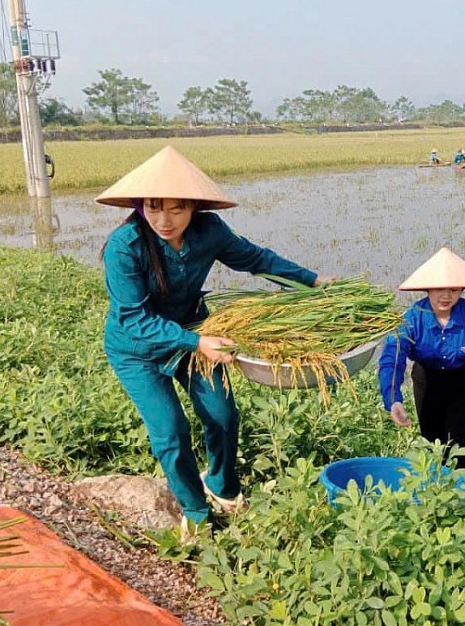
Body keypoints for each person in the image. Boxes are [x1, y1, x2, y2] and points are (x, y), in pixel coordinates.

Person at [96, 146, 336, 541]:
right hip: (136, 349)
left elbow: (254, 258)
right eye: (153, 208)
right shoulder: (126, 245)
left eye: (175, 209)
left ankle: (222, 485)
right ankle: (195, 509)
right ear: (141, 207)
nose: (163, 220)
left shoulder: (210, 232)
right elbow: (133, 318)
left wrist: (311, 280)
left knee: (223, 416)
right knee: (170, 431)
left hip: (193, 333)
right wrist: (197, 341)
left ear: (193, 207)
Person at [378, 247, 465, 468]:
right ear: (427, 289)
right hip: (428, 379)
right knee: (433, 441)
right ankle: (436, 490)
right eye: (439, 289)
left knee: (463, 441)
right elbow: (392, 359)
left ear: (462, 290)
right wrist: (393, 399)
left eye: (453, 289)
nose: (446, 296)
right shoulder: (413, 317)